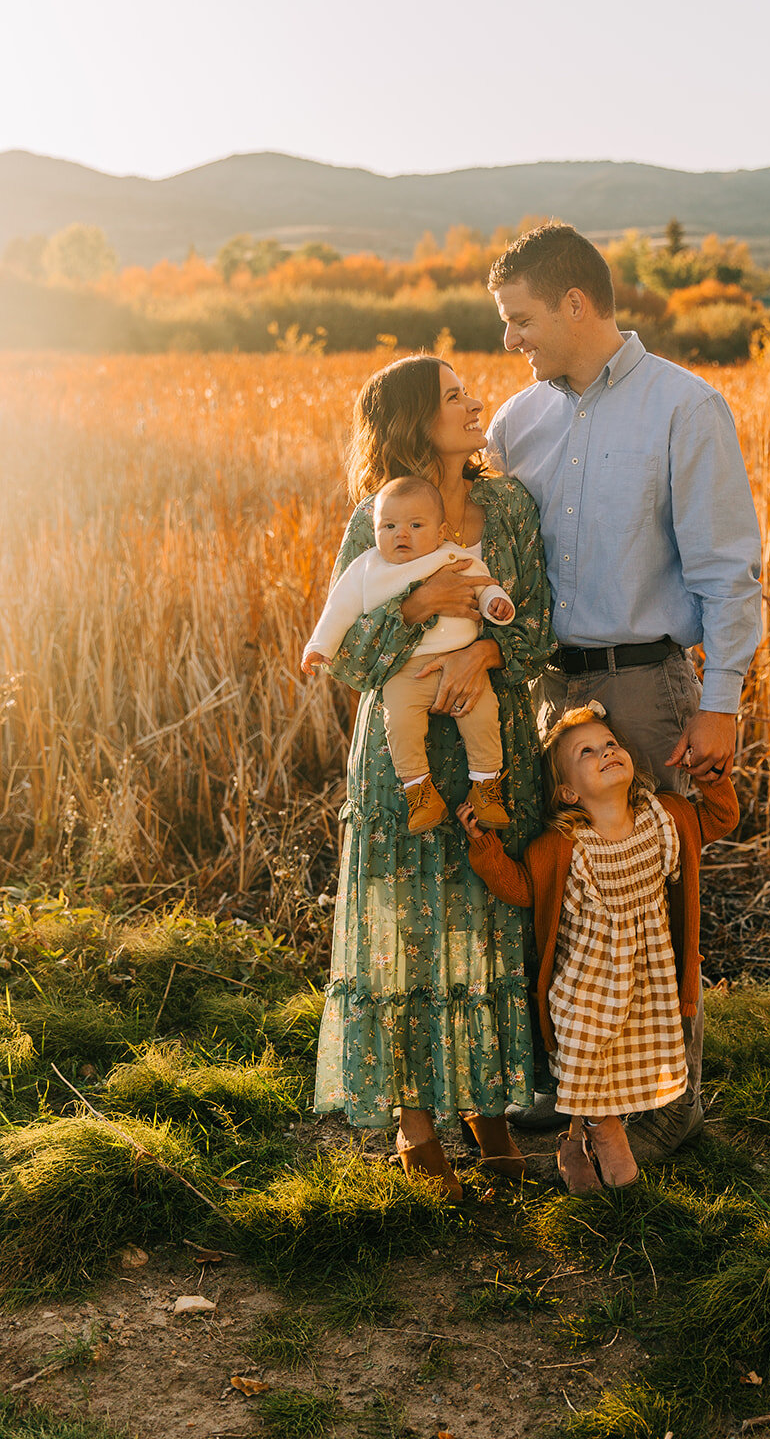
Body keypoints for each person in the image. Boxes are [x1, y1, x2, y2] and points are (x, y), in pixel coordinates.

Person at [486, 222, 762, 1160]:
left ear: (574, 302)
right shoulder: (515, 423)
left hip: (645, 685)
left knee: (654, 893)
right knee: (560, 895)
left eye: (519, 319)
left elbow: (729, 569)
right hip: (543, 689)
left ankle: (665, 1106)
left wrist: (718, 699)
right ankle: (564, 1090)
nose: (510, 341)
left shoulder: (685, 407)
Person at [312, 354, 555, 1200]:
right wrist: (416, 606)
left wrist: (488, 651)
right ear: (417, 421)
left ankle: (486, 1110)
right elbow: (346, 651)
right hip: (403, 759)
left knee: (485, 920)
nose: (475, 402)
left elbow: (538, 625)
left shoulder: (510, 508)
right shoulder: (375, 519)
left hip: (492, 750)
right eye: (454, 397)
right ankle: (417, 1125)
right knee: (404, 929)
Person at [458, 704, 739, 1190]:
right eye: (587, 751)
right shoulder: (563, 845)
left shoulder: (664, 818)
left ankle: (574, 1143)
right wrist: (485, 848)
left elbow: (721, 817)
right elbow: (524, 888)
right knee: (586, 1054)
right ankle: (604, 1132)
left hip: (645, 981)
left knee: (618, 1067)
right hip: (584, 983)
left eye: (610, 743)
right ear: (568, 791)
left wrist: (711, 775)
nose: (606, 751)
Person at [302, 475, 515, 834]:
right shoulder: (368, 568)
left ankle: (486, 784)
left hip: (465, 662)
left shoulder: (450, 556)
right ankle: (419, 790)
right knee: (399, 721)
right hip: (405, 671)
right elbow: (338, 609)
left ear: (440, 531)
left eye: (416, 526)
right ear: (374, 529)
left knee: (482, 715)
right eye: (389, 526)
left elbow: (483, 585)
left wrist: (496, 605)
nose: (401, 534)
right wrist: (318, 647)